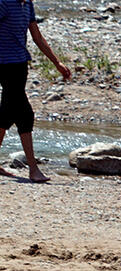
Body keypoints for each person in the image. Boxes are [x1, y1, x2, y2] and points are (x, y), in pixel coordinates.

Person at [0, 0, 71, 182]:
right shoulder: (4, 3)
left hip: (20, 64)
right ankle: (33, 169)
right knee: (25, 114)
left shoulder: (27, 5)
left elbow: (37, 37)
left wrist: (57, 63)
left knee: (6, 114)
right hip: (4, 65)